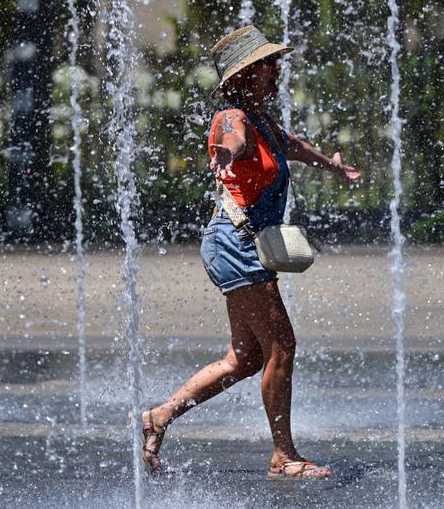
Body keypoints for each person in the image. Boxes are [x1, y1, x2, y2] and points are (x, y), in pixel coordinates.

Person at [141, 25, 362, 479]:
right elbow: (231, 139)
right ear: (244, 75)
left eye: (274, 62)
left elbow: (292, 147)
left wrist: (332, 166)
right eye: (266, 64)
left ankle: (159, 416)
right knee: (282, 346)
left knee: (246, 357)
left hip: (240, 244)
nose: (275, 70)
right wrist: (227, 153)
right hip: (235, 242)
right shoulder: (232, 116)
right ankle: (284, 456)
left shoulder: (262, 120)